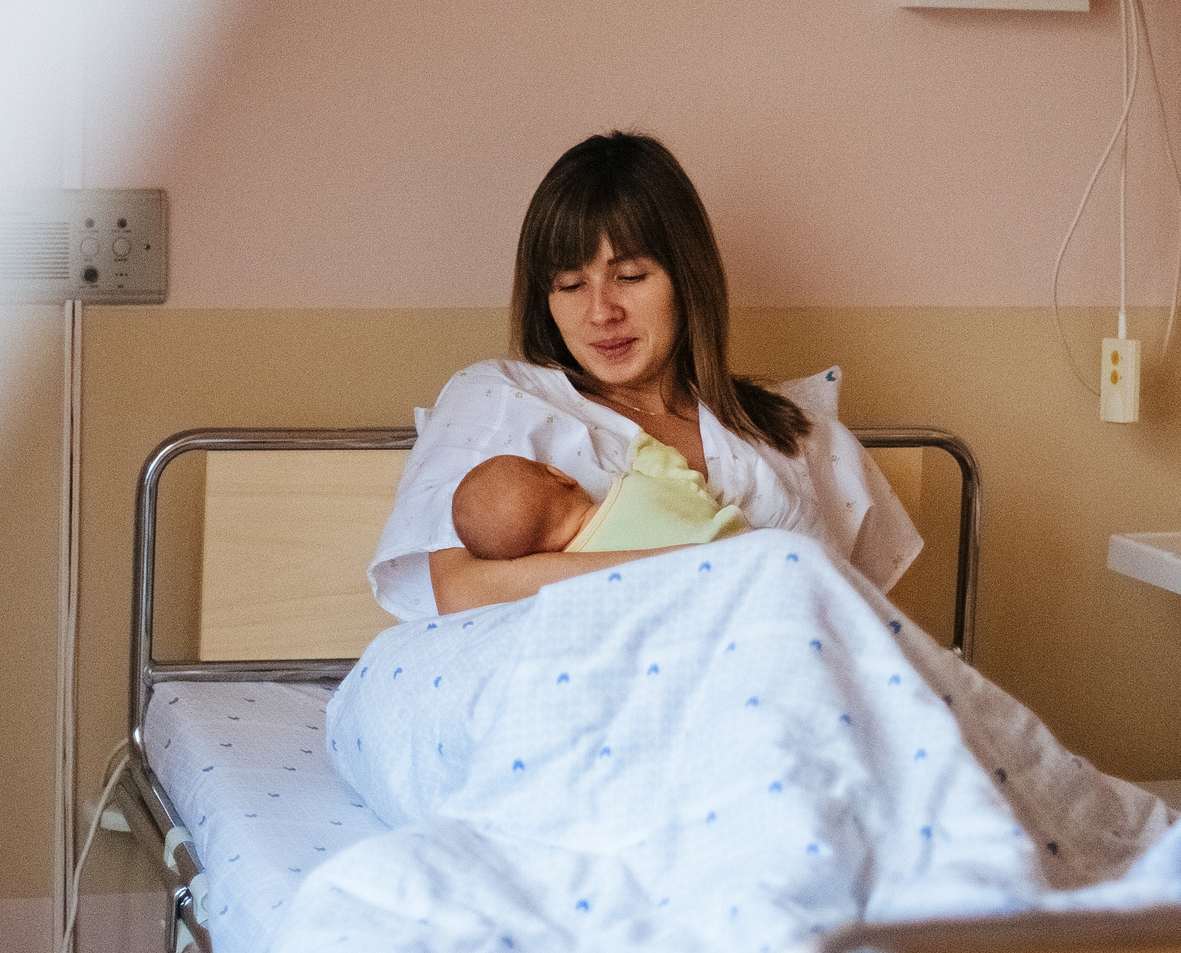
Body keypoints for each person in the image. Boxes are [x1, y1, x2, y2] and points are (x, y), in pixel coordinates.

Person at [368, 130, 919, 619]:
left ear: (686, 276)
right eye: (569, 285)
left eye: (630, 276)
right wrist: (716, 568)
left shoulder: (795, 431)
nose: (602, 312)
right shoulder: (498, 399)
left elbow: (872, 630)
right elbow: (464, 593)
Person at [450, 437, 750, 562]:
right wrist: (644, 447)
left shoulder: (573, 575)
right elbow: (685, 481)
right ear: (560, 475)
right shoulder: (636, 488)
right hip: (738, 553)